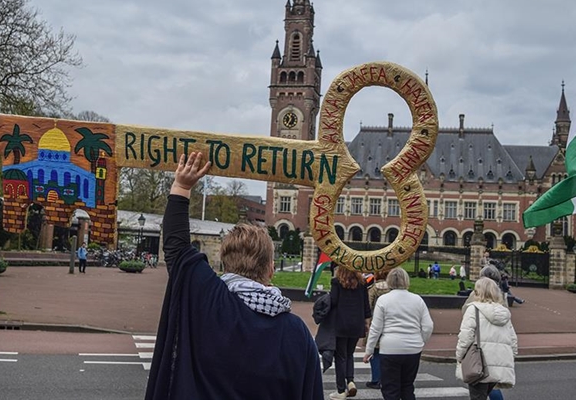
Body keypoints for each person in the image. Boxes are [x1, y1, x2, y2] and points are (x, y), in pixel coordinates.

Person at [144, 153, 323, 399]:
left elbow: (176, 248)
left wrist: (181, 187)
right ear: (270, 269)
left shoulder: (208, 300)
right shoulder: (296, 333)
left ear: (225, 262)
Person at [364, 268, 434, 400]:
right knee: (407, 386)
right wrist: (420, 341)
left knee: (390, 388)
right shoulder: (417, 300)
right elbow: (428, 326)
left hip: (390, 348)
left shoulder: (384, 300)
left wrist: (369, 350)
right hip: (413, 348)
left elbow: (376, 328)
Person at [455, 277, 518, 400]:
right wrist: (510, 357)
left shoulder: (473, 309)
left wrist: (459, 355)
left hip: (478, 363)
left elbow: (465, 337)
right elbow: (513, 340)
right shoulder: (504, 312)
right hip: (498, 362)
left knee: (477, 396)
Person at [329, 265, 372, 399]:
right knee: (349, 354)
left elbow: (333, 301)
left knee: (340, 356)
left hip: (341, 323)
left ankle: (341, 389)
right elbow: (366, 304)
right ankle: (351, 381)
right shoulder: (361, 283)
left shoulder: (336, 282)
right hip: (356, 323)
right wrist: (366, 322)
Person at [365, 269, 391, 390]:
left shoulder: (373, 289)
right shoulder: (392, 289)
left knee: (375, 352)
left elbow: (368, 306)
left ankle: (376, 379)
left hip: (376, 323)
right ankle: (386, 379)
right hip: (391, 324)